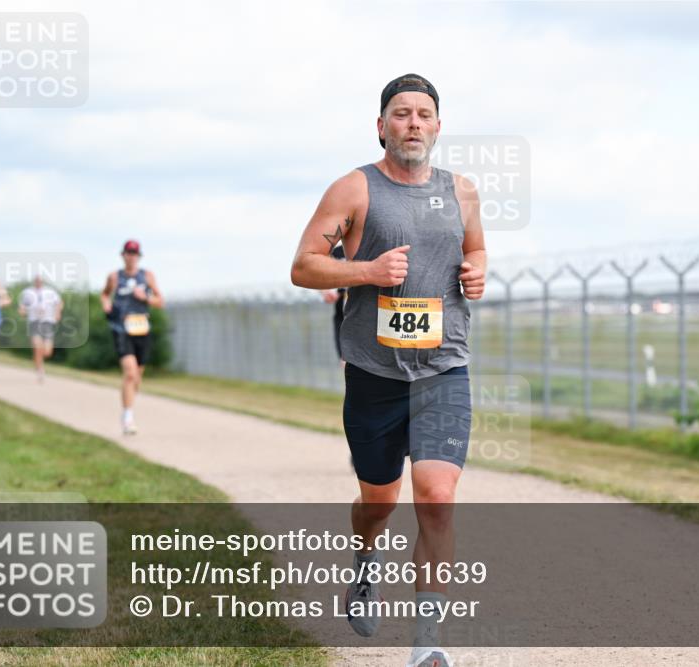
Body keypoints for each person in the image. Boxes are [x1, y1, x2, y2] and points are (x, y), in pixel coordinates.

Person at [291, 74, 486, 667]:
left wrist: (477, 272)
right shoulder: (354, 189)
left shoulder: (463, 192)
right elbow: (304, 267)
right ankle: (365, 564)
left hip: (443, 368)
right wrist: (367, 273)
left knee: (437, 497)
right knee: (378, 501)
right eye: (401, 114)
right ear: (382, 126)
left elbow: (474, 250)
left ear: (438, 126)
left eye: (424, 114)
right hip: (375, 375)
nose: (413, 124)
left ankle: (427, 648)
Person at [100, 240, 164, 435]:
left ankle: (129, 406)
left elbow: (160, 301)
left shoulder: (147, 276)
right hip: (122, 329)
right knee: (130, 373)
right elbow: (104, 294)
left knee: (137, 377)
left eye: (135, 253)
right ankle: (128, 416)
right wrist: (106, 304)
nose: (131, 256)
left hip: (142, 329)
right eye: (128, 252)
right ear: (123, 255)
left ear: (139, 256)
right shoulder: (114, 277)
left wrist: (145, 297)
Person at [18, 275, 64, 383]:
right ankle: (40, 370)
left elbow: (59, 303)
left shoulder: (50, 292)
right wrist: (22, 311)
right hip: (34, 322)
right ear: (34, 281)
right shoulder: (28, 293)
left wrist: (57, 313)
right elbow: (22, 306)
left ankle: (38, 358)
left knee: (47, 351)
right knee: (37, 346)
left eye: (40, 280)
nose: (38, 282)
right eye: (36, 280)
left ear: (42, 281)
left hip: (48, 321)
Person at [320, 244, 348, 364]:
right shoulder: (336, 253)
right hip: (342, 317)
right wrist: (325, 292)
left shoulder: (369, 247)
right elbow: (320, 275)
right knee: (345, 361)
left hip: (365, 315)